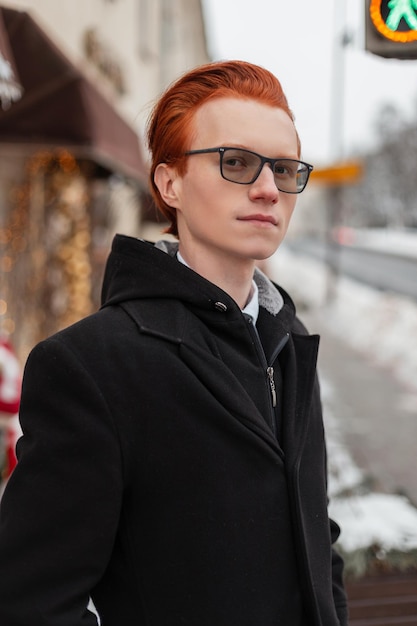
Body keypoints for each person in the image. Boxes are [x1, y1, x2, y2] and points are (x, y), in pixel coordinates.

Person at [0, 60, 348, 626]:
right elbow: (27, 601)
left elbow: (314, 532)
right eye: (236, 162)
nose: (267, 189)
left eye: (284, 169)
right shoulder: (91, 365)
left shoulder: (289, 342)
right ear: (169, 183)